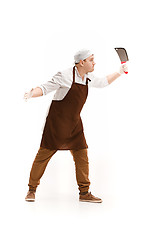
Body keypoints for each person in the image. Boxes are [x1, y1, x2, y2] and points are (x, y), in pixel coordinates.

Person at [24, 49, 128, 203]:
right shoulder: (64, 75)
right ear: (82, 62)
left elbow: (102, 82)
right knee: (42, 157)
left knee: (82, 156)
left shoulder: (87, 77)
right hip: (56, 124)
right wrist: (32, 93)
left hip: (74, 123)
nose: (94, 62)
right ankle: (31, 190)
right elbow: (45, 88)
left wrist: (119, 72)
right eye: (91, 59)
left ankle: (84, 193)